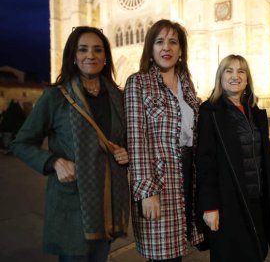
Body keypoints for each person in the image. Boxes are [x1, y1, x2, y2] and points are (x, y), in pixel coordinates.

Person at [10, 26, 130, 261]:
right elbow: (21, 143)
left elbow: (121, 141)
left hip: (108, 205)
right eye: (83, 49)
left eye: (98, 50)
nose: (91, 55)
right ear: (73, 56)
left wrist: (126, 153)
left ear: (106, 57)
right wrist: (53, 161)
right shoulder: (55, 97)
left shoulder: (118, 97)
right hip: (72, 205)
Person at [124, 19, 204, 261]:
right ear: (151, 48)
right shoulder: (138, 83)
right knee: (163, 255)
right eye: (160, 42)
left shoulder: (187, 84)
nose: (166, 48)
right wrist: (146, 191)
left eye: (173, 42)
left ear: (180, 50)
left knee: (179, 250)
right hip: (161, 180)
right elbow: (137, 141)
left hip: (190, 176)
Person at [196, 54, 270, 261]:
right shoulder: (210, 112)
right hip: (228, 204)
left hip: (257, 201)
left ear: (247, 79)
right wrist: (209, 207)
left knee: (257, 253)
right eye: (229, 71)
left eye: (241, 71)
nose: (236, 76)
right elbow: (205, 164)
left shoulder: (256, 113)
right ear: (220, 77)